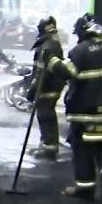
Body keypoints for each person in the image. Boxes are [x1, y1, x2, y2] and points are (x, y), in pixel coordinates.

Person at [47, 14, 102, 199]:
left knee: (83, 152)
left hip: (86, 114)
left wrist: (52, 60)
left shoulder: (81, 51)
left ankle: (85, 190)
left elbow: (66, 72)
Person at [26, 16, 66, 160]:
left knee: (45, 115)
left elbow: (42, 73)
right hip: (52, 85)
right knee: (45, 114)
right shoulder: (53, 43)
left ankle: (49, 148)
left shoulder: (47, 46)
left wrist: (32, 91)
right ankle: (46, 145)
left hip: (47, 87)